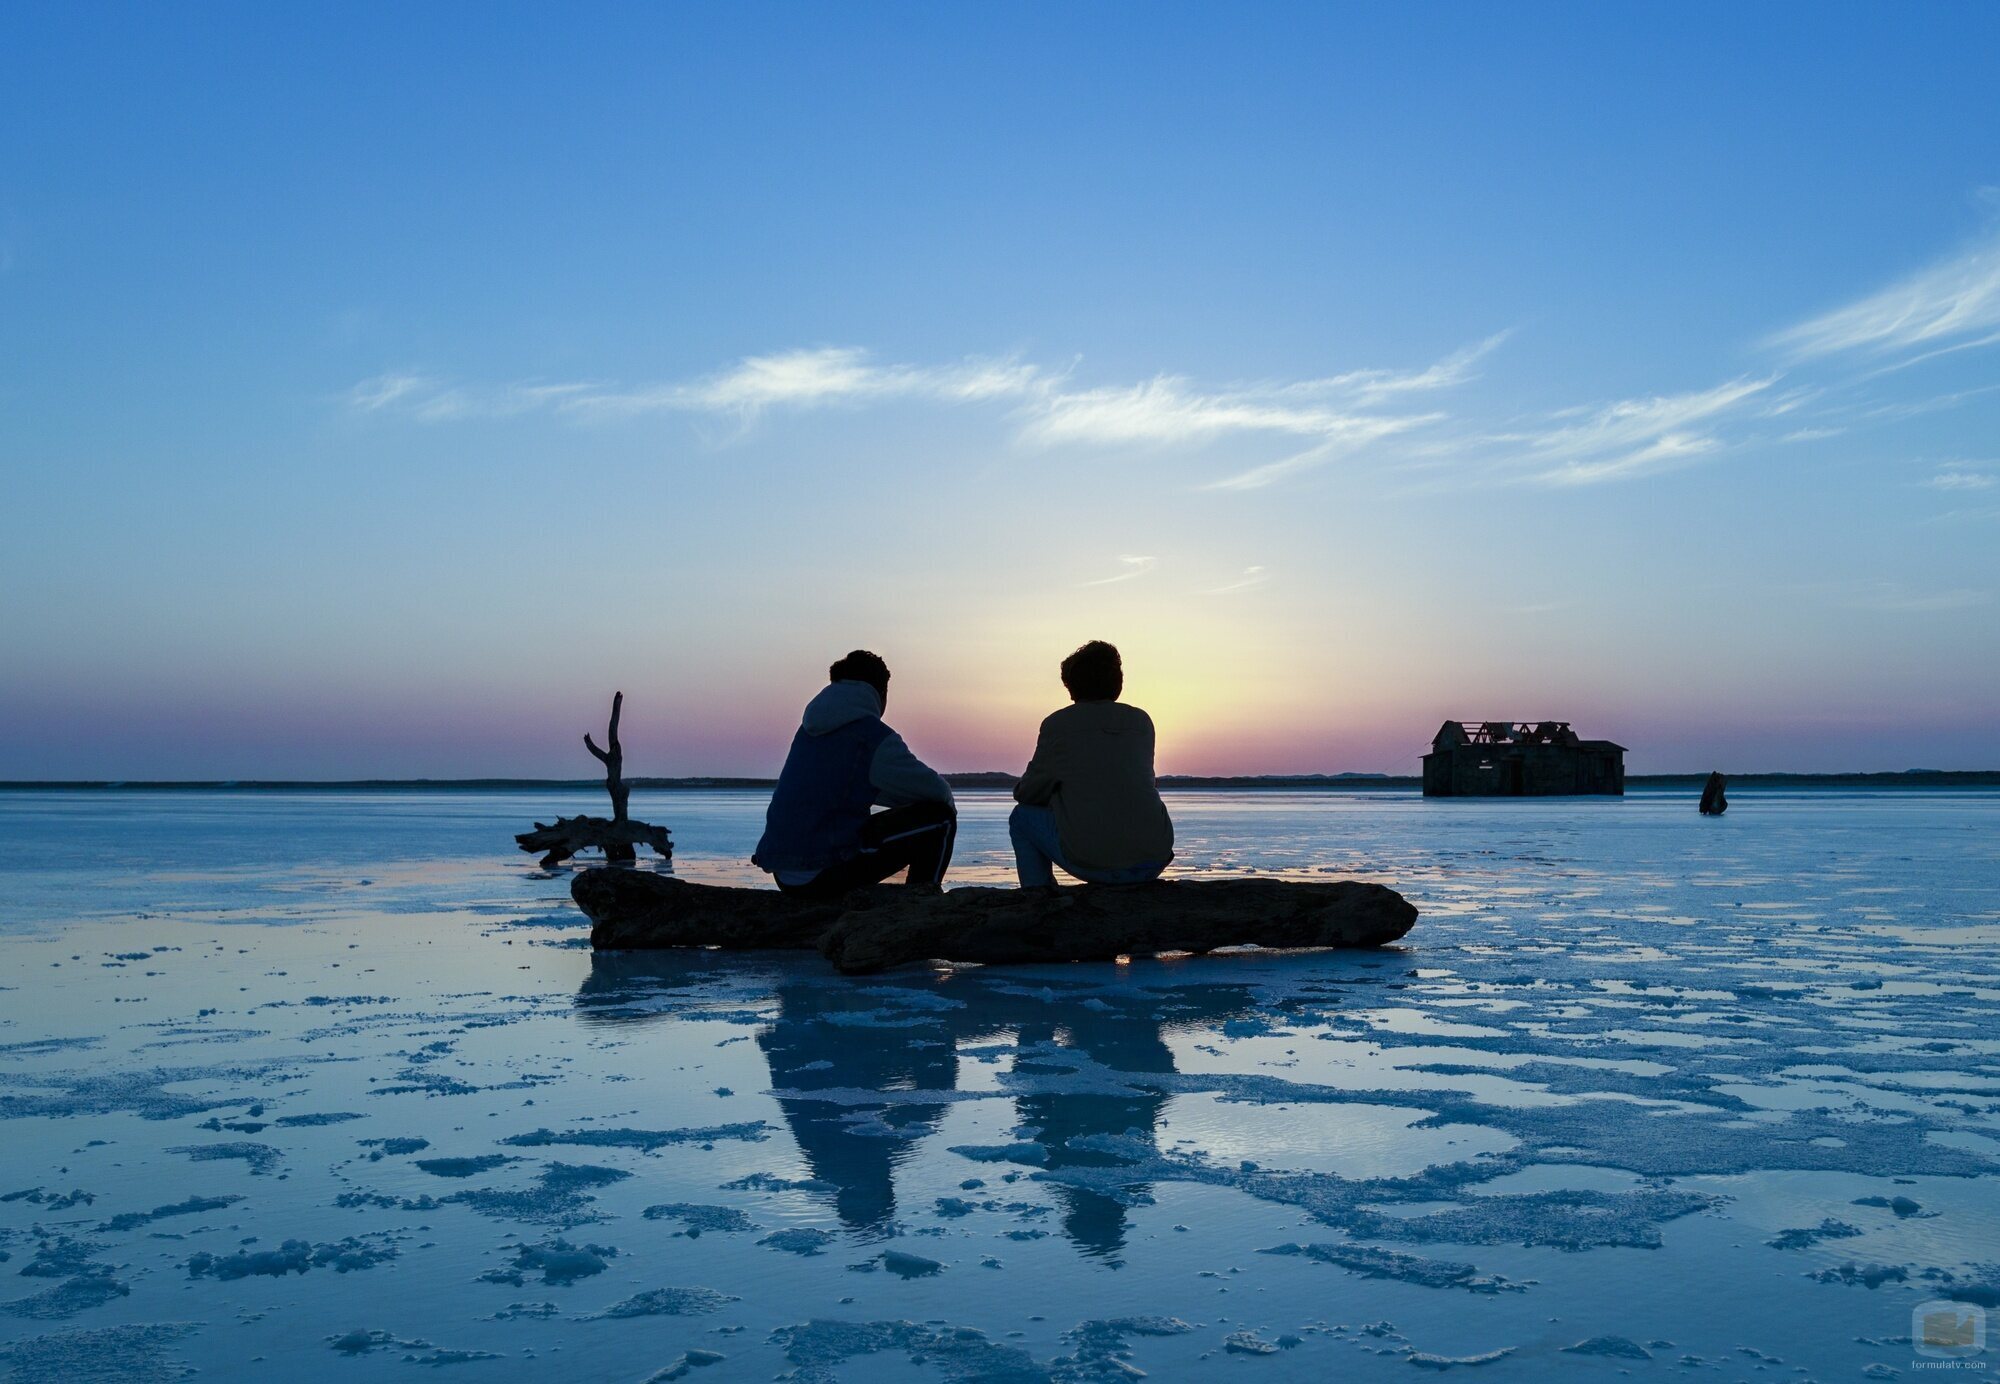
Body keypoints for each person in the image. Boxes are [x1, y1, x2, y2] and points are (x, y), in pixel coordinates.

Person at [753, 650, 956, 896]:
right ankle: (920, 903)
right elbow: (936, 791)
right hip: (825, 872)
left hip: (784, 873)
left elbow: (840, 788)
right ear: (881, 693)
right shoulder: (872, 737)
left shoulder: (808, 731)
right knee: (941, 818)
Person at [1010, 640, 1173, 888]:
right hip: (1153, 859)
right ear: (1117, 683)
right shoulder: (1141, 722)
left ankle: (1037, 893)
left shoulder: (1060, 724)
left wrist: (1052, 796)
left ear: (1072, 686)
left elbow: (1030, 792)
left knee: (1021, 817)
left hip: (1096, 865)